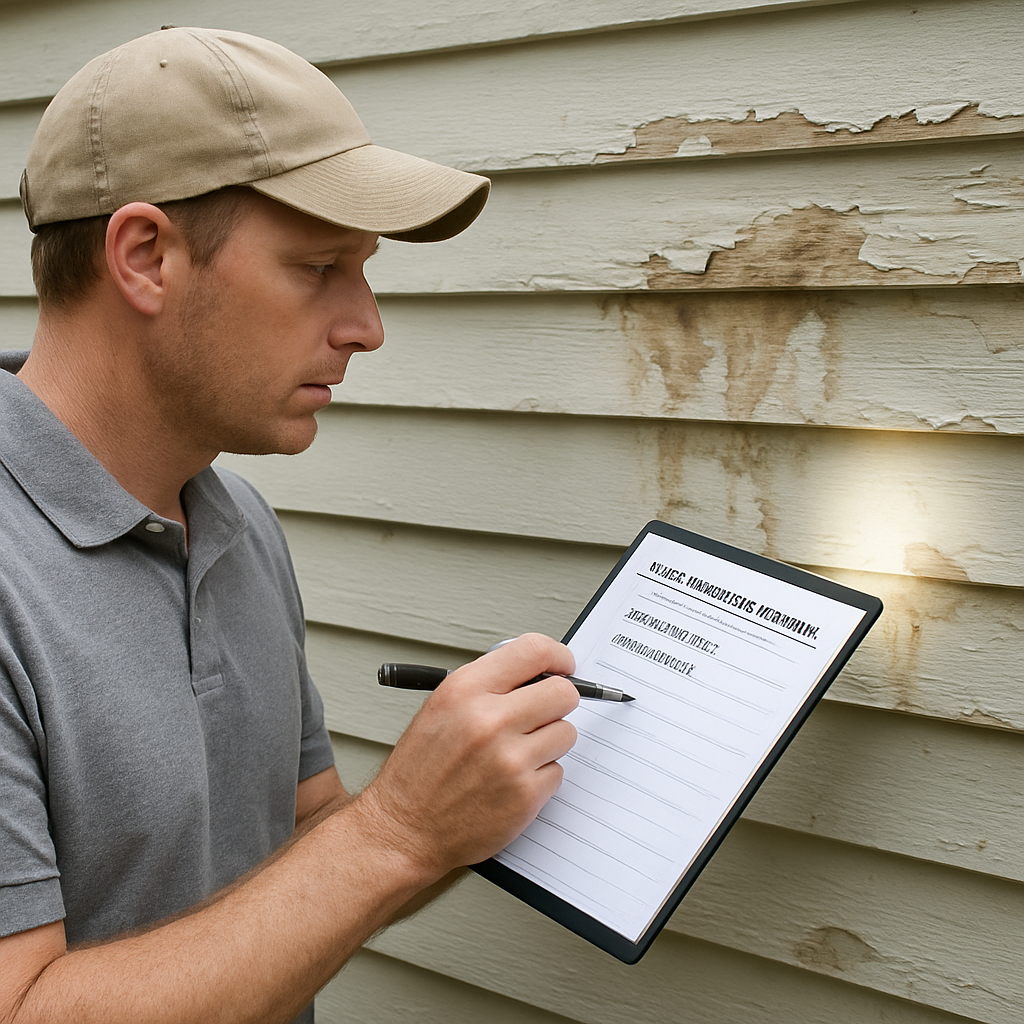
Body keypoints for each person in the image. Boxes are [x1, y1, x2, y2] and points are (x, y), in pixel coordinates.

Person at [0, 26, 579, 1024]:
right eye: (321, 267)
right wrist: (398, 828)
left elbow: (309, 857)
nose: (366, 324)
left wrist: (453, 805)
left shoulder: (234, 526)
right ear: (145, 257)